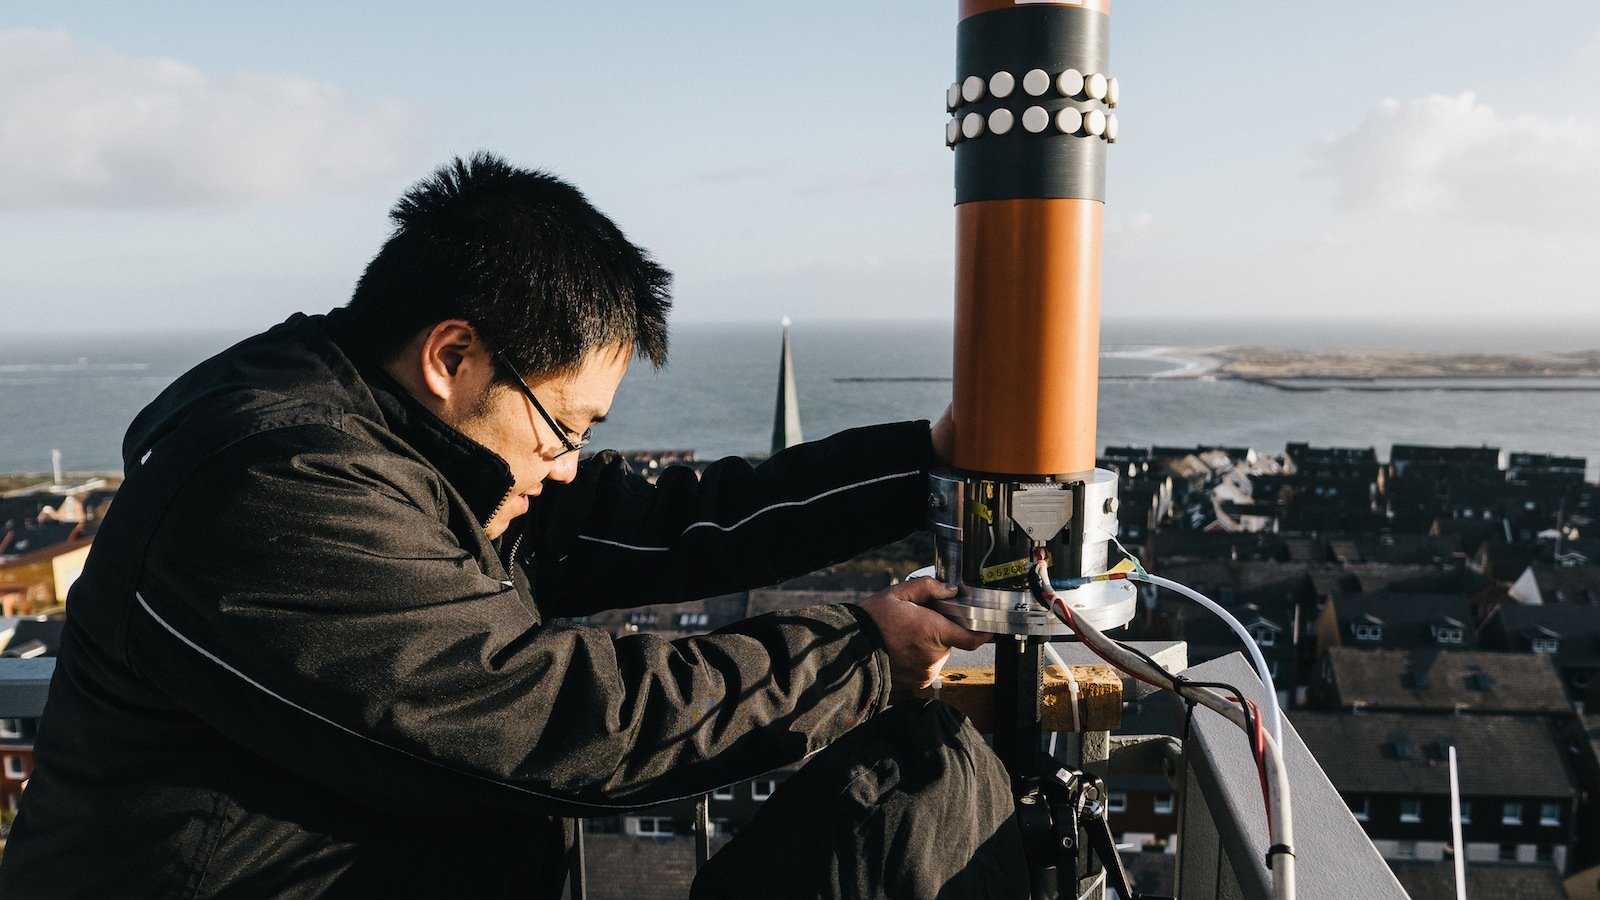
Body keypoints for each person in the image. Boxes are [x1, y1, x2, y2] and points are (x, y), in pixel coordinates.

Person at [0, 153, 987, 898]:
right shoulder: (278, 489)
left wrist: (920, 462)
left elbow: (680, 521)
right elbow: (542, 721)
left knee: (925, 787)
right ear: (453, 355)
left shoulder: (415, 455)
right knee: (909, 795)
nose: (565, 465)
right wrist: (853, 655)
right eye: (564, 426)